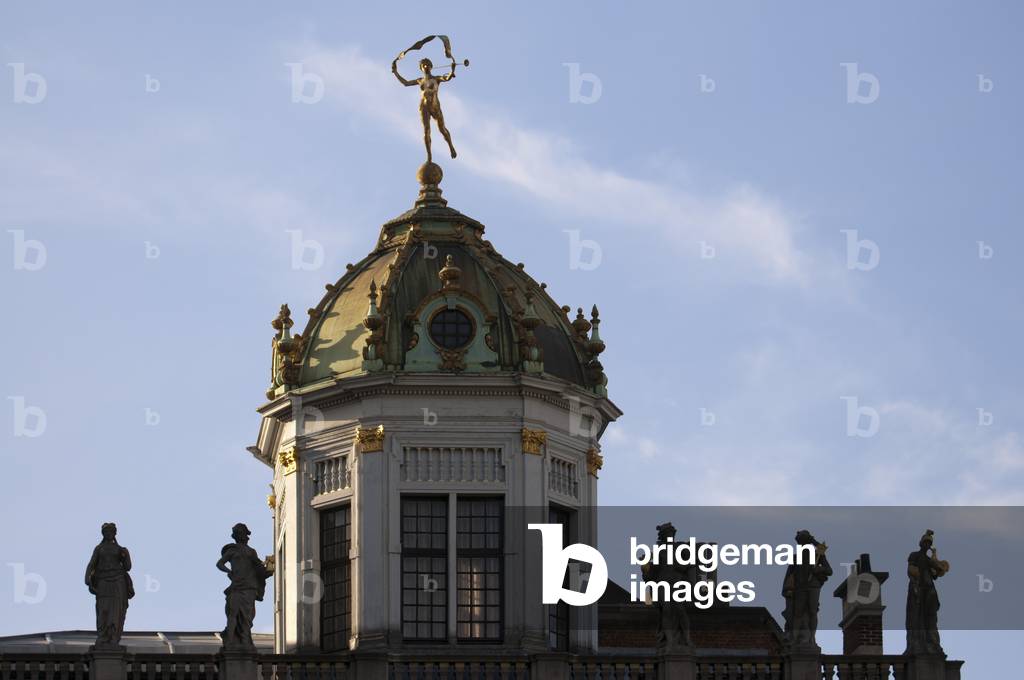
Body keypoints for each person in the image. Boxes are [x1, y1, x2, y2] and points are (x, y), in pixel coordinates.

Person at [217, 523, 273, 650]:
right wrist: (229, 571)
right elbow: (220, 564)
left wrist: (268, 570)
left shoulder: (251, 552)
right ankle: (230, 640)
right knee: (233, 613)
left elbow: (259, 568)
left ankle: (245, 640)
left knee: (247, 617)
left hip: (249, 587)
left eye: (242, 533)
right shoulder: (232, 550)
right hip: (237, 586)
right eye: (238, 533)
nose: (241, 535)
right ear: (236, 536)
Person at [391, 57, 458, 163]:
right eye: (423, 65)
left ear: (431, 66)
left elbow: (447, 78)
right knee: (426, 131)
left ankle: (451, 147)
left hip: (435, 106)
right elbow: (405, 83)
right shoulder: (420, 80)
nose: (425, 66)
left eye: (427, 64)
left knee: (442, 129)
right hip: (424, 107)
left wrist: (452, 70)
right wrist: (395, 72)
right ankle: (429, 157)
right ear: (421, 68)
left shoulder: (436, 79)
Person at [84, 523, 134, 648]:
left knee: (115, 611)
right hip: (103, 582)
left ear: (114, 533)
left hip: (118, 582)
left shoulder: (121, 549)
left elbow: (128, 567)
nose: (108, 534)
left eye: (111, 532)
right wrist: (87, 578)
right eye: (106, 532)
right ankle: (103, 636)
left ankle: (113, 636)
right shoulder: (99, 549)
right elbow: (91, 564)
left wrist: (125, 556)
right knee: (103, 610)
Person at [781, 529, 832, 649]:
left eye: (805, 542)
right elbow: (790, 575)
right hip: (800, 587)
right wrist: (788, 589)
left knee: (812, 612)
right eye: (801, 543)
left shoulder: (817, 554)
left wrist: (818, 569)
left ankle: (812, 638)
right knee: (797, 613)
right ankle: (794, 639)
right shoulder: (796, 557)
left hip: (813, 586)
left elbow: (829, 571)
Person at [905, 529, 948, 655]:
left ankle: (932, 642)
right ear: (921, 543)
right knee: (917, 617)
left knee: (930, 617)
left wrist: (937, 561)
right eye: (926, 543)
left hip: (929, 590)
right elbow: (911, 570)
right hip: (918, 589)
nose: (927, 545)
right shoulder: (914, 555)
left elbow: (937, 572)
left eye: (929, 543)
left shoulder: (929, 560)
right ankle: (918, 642)